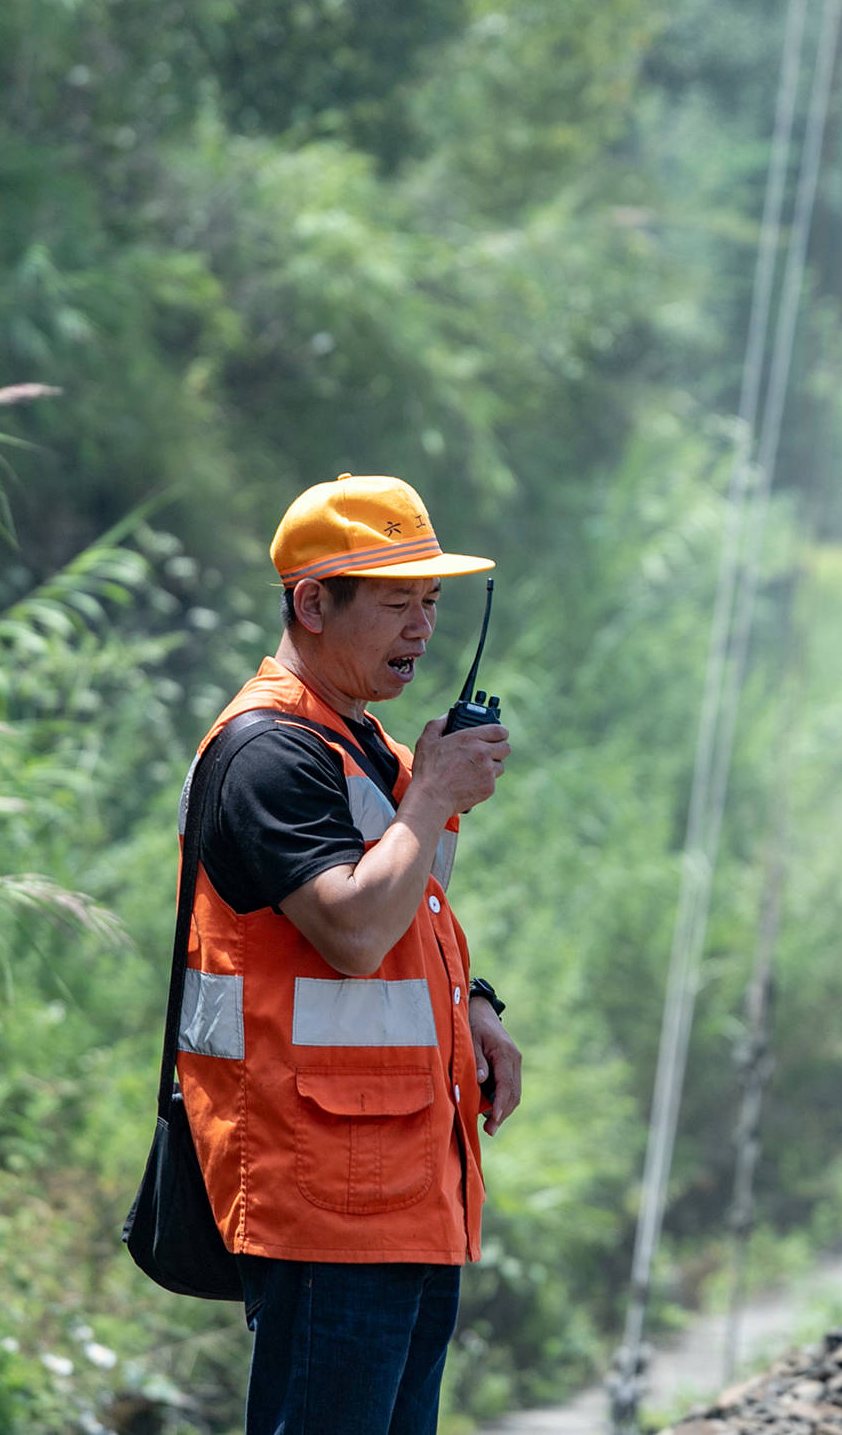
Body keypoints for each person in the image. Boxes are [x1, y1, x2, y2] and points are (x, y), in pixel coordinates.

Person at [178, 473, 523, 1435]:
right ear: (313, 602)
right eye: (397, 602)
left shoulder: (360, 743)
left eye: (433, 602)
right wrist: (432, 795)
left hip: (404, 1184)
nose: (422, 629)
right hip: (324, 1192)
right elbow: (356, 931)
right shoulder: (266, 753)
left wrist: (478, 1008)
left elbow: (416, 918)